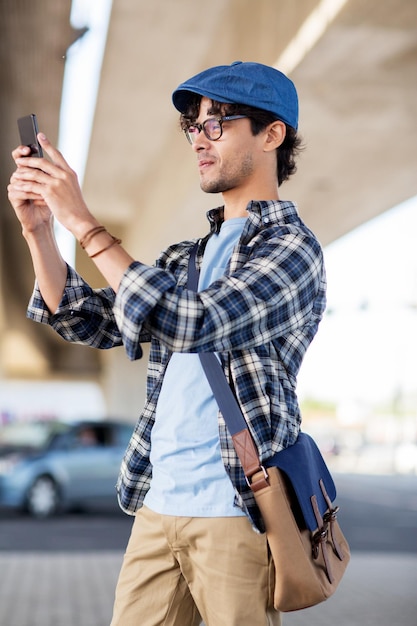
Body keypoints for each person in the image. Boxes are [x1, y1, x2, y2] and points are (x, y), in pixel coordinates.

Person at [8, 61, 326, 626]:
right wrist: (41, 230)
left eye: (217, 124)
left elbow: (190, 321)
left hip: (234, 510)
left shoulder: (291, 251)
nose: (198, 141)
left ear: (272, 134)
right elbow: (90, 319)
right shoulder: (189, 257)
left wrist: (83, 222)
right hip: (158, 507)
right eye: (193, 126)